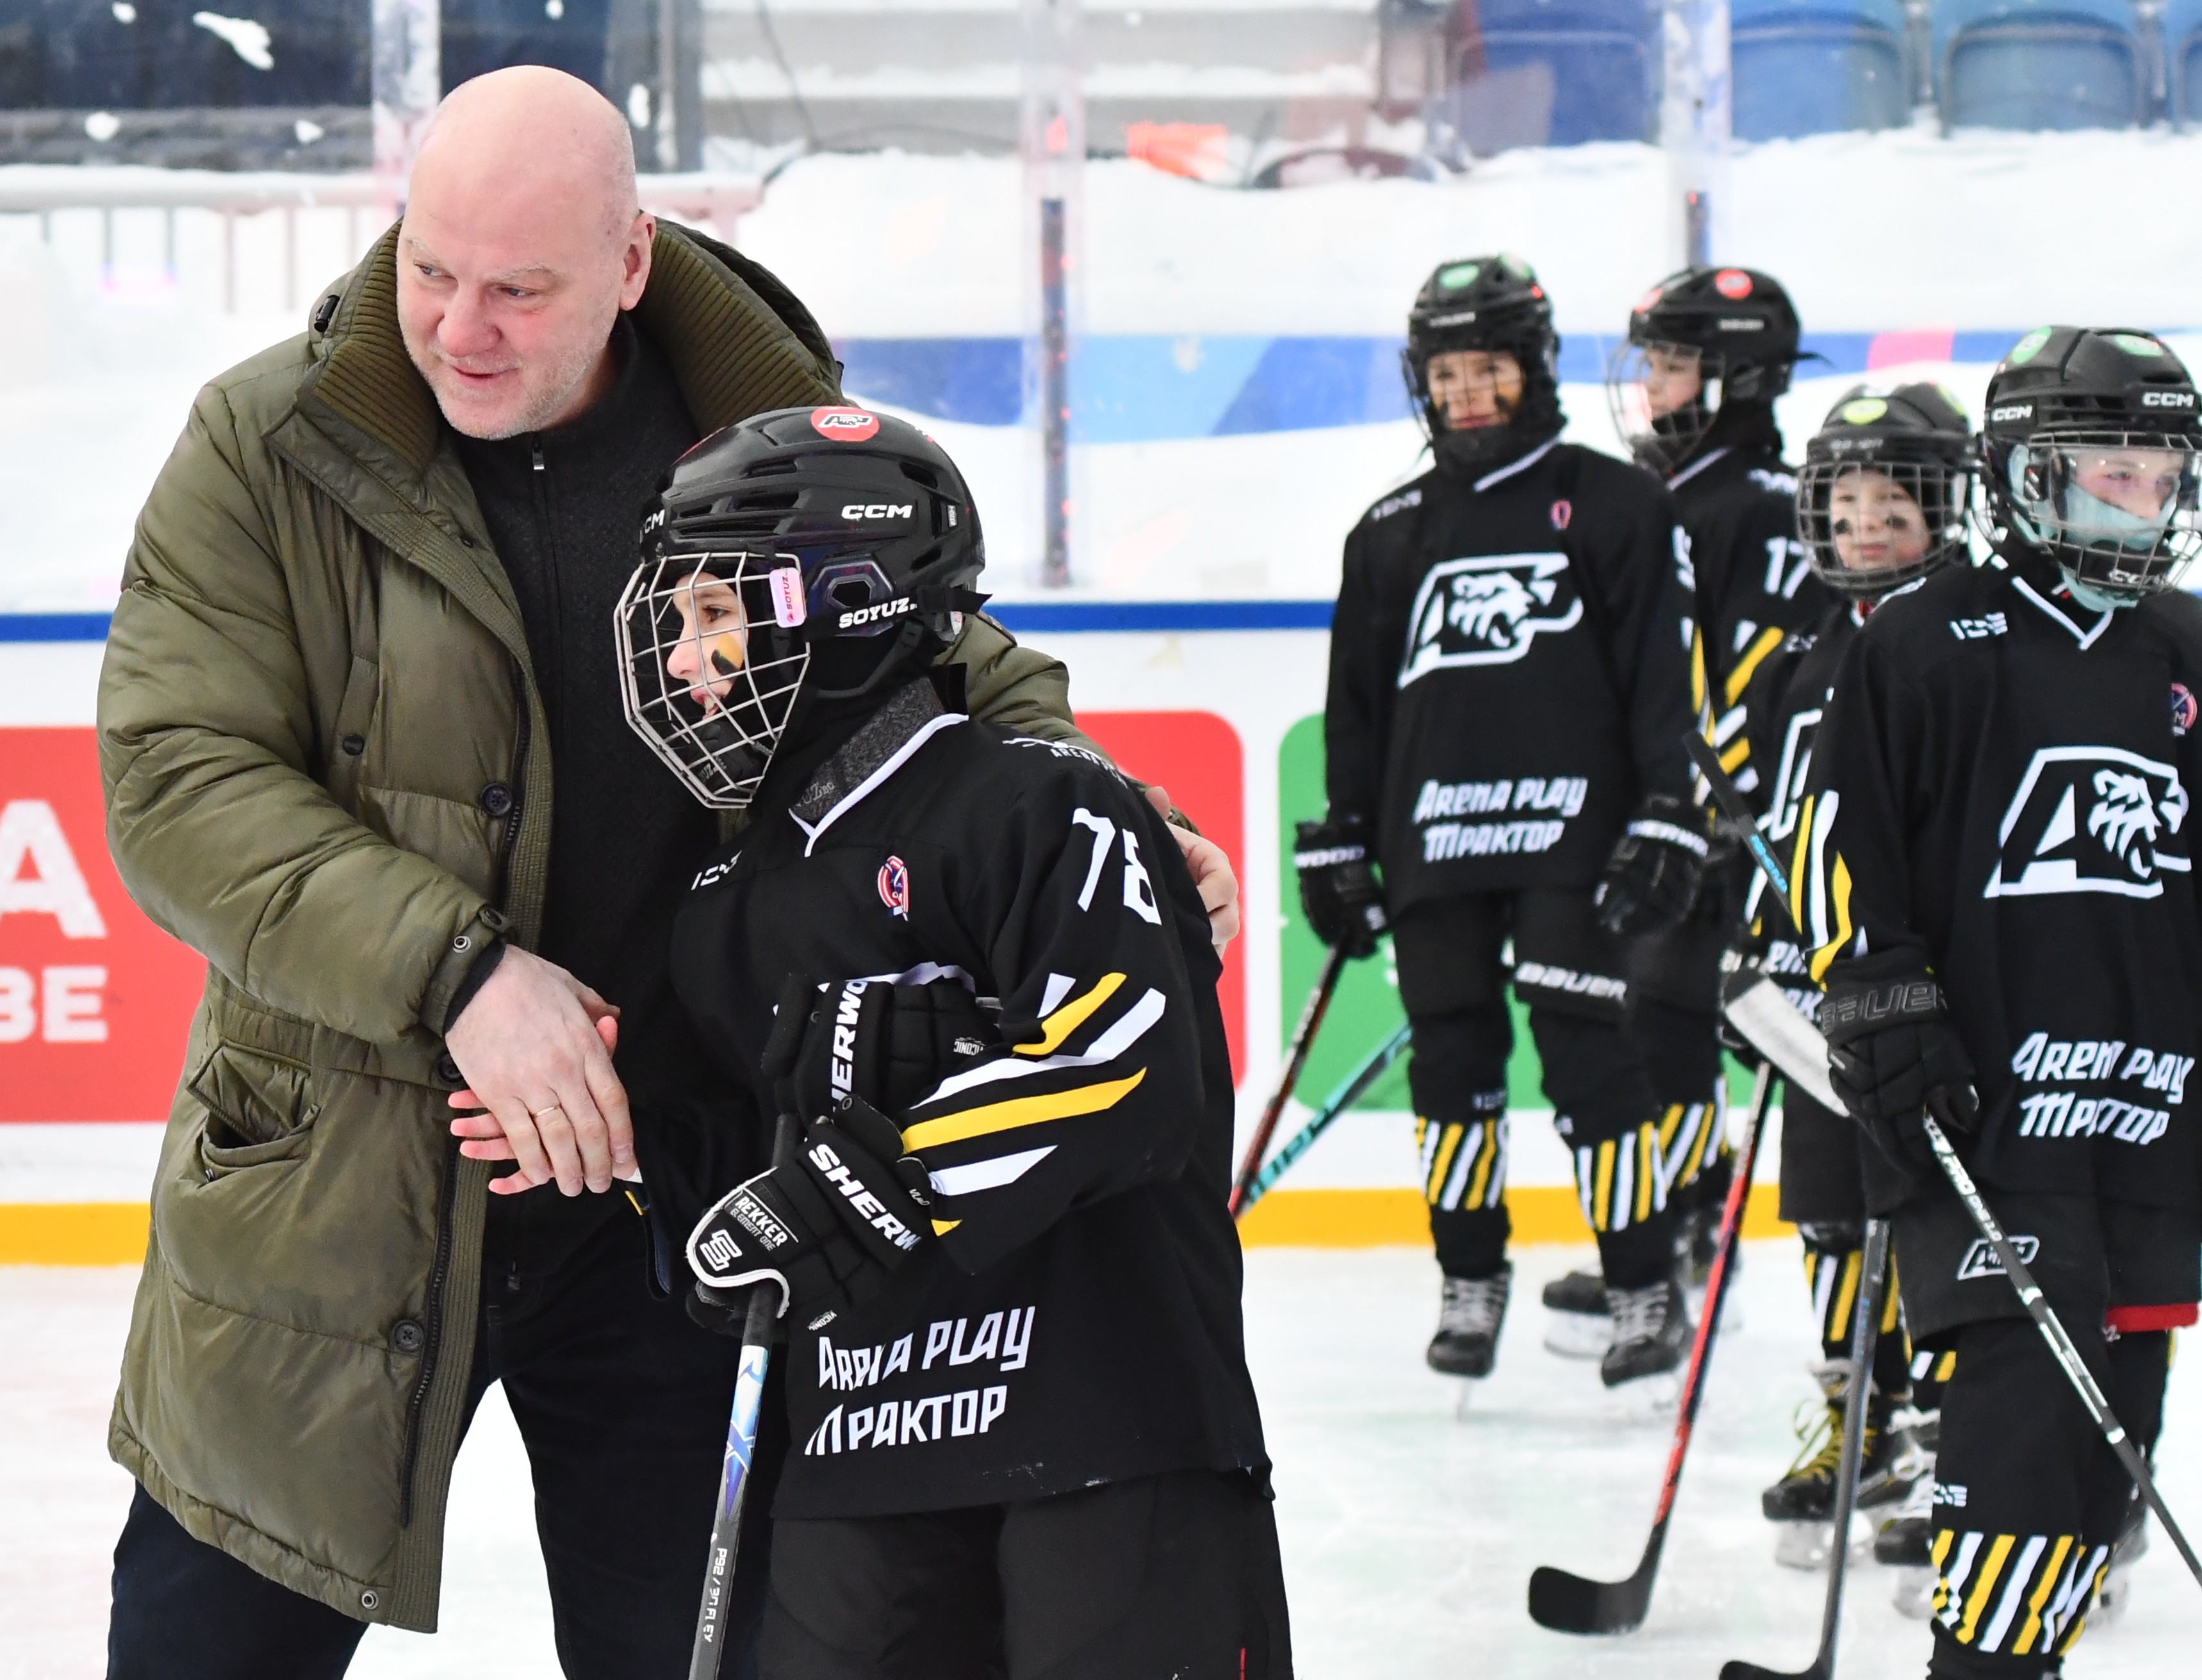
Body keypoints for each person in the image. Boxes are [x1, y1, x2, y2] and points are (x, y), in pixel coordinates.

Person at [95, 67, 1239, 1679]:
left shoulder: (757, 442)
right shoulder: (269, 444)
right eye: (428, 271)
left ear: (631, 263)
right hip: (331, 1185)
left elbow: (942, 661)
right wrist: (465, 976)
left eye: (520, 288)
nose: (458, 327)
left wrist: (1113, 809)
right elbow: (174, 776)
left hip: (680, 1188)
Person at [579, 405, 1288, 1676]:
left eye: (717, 614)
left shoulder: (1044, 802)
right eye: (677, 619)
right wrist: (634, 1147)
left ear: (846, 598)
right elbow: (740, 1184)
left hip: (1109, 1425)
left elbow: (1122, 1064)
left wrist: (859, 1177)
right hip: (858, 1455)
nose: (684, 659)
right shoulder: (722, 908)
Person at [1796, 326, 2202, 1677]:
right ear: (2030, 474)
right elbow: (1835, 857)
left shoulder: (2189, 645)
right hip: (1994, 1128)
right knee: (2018, 1485)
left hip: (2153, 1132)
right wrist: (1884, 1013)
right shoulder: (1925, 641)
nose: (2149, 490)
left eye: (2163, 467)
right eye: (2117, 465)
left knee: (2098, 1488)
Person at [1299, 253, 1711, 1392]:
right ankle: (1467, 1280)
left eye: (1487, 369)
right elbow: (1357, 707)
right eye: (1446, 373)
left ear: (1532, 368)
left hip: (1574, 836)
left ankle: (1641, 1281)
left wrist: (1669, 812)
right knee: (1451, 1061)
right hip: (1433, 837)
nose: (1466, 393)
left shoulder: (1619, 501)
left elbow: (1659, 679)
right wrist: (1340, 832)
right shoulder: (1386, 530)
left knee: (1590, 1059)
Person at [1541, 266, 1836, 1338]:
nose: (1651, 386)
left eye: (1672, 366)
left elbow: (1753, 675)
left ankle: (1680, 1236)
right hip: (1670, 820)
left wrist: (1707, 803)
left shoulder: (1758, 508)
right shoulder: (1665, 497)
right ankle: (1678, 1225)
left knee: (1664, 1015)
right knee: (1646, 1020)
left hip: (1725, 835)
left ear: (1735, 380)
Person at [1727, 383, 1974, 1569]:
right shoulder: (1792, 656)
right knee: (1828, 1215)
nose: (1864, 522)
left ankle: (1944, 1429)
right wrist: (1750, 950)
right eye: (1844, 499)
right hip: (1807, 995)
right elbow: (1763, 818)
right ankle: (1860, 1421)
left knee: (1919, 1212)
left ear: (1947, 506)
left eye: (1894, 501)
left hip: (1912, 996)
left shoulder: (1960, 643)